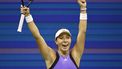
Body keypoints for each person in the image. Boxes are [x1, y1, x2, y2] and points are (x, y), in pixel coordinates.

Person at [21, 0, 87, 69]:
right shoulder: (50, 56)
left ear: (71, 40)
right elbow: (37, 36)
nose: (65, 40)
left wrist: (83, 9)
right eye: (61, 38)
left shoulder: (75, 55)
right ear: (56, 41)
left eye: (67, 37)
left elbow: (82, 31)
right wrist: (27, 16)